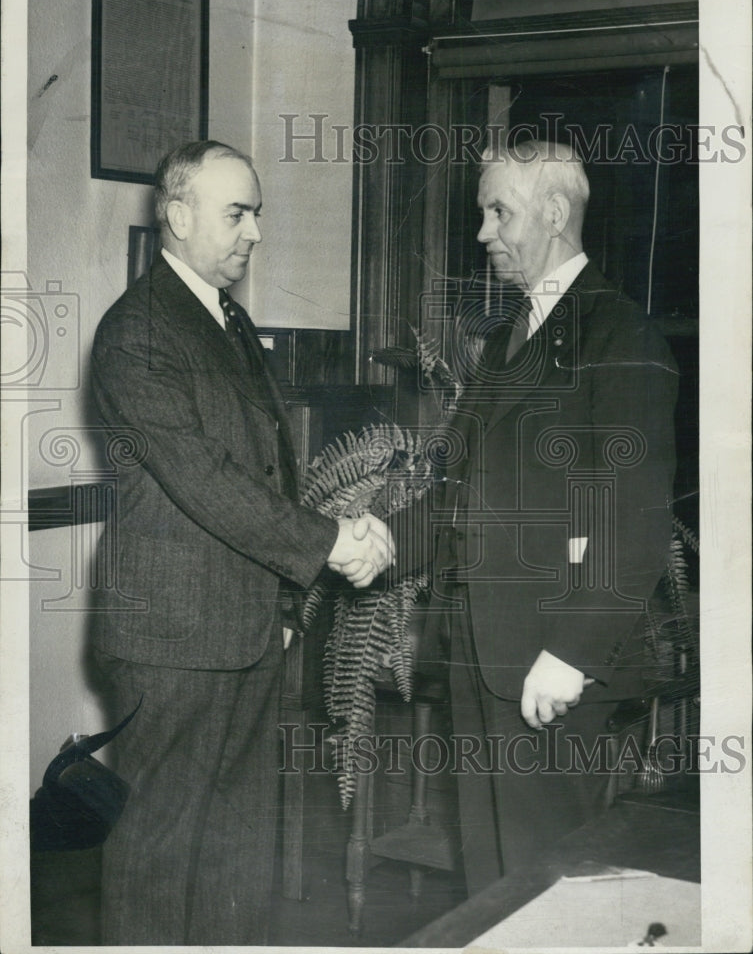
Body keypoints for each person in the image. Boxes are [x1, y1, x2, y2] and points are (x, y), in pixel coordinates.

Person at [90, 140, 394, 945]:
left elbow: (270, 469)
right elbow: (206, 477)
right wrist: (331, 543)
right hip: (171, 640)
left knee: (236, 847)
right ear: (179, 215)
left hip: (248, 628)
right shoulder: (137, 333)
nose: (254, 231)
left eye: (257, 211)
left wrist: (288, 602)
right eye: (237, 212)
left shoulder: (222, 319)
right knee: (161, 851)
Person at [408, 140, 678, 895]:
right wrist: (354, 544)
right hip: (480, 655)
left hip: (547, 667)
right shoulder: (504, 339)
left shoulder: (620, 337)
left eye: (499, 212)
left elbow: (633, 520)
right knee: (493, 880)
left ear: (555, 214)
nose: (483, 233)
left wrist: (571, 652)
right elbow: (453, 493)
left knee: (548, 882)